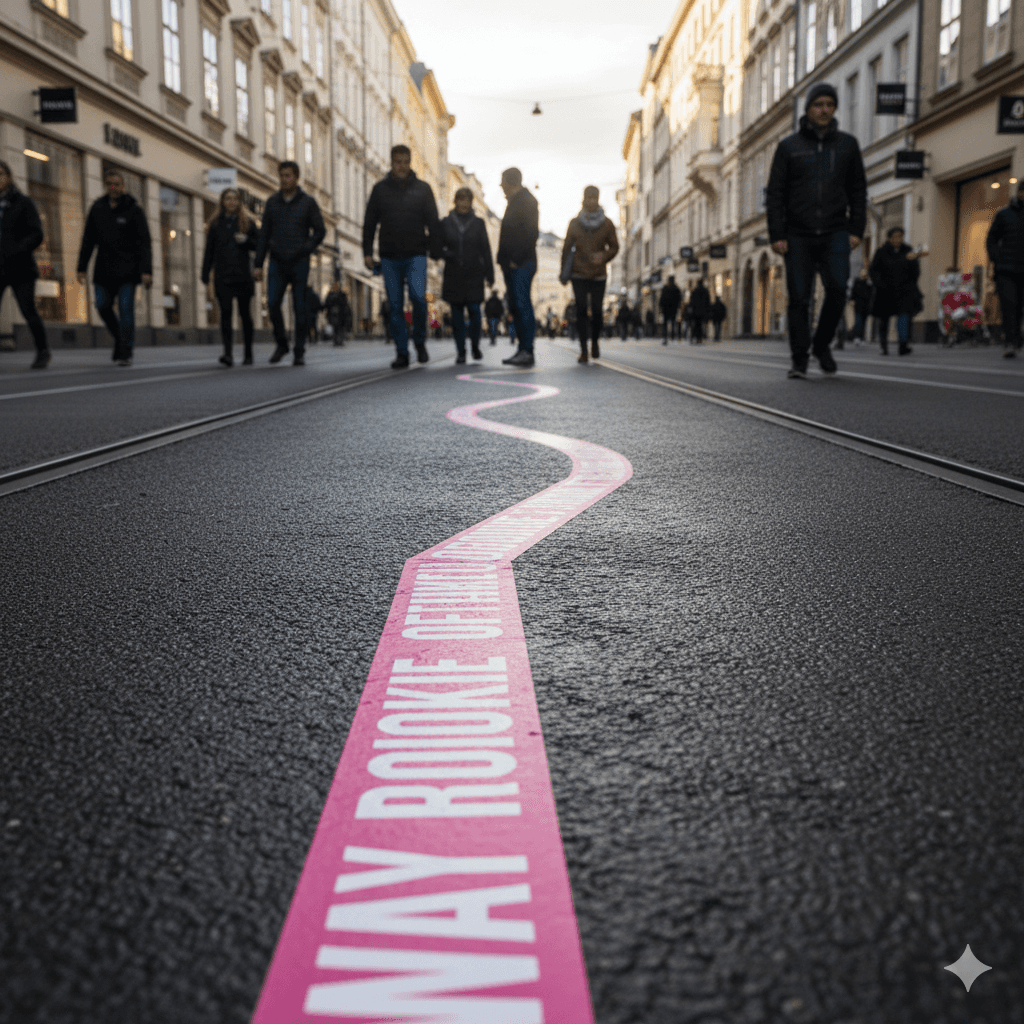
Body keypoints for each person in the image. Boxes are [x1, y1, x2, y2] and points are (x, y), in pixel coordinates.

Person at [766, 82, 867, 378]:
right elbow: (775, 194)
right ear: (808, 109)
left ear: (834, 109)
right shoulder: (789, 147)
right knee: (799, 297)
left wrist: (856, 229)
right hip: (797, 233)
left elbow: (858, 190)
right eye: (818, 105)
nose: (824, 110)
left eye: (829, 105)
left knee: (838, 290)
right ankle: (799, 358)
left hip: (836, 230)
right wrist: (777, 234)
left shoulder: (847, 145)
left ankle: (821, 344)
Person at [363, 144, 440, 369]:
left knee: (418, 298)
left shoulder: (423, 189)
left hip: (416, 253)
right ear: (392, 162)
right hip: (389, 255)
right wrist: (367, 252)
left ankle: (419, 341)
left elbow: (433, 222)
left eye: (405, 161)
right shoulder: (380, 190)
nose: (402, 166)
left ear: (410, 161)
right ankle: (402, 351)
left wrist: (435, 250)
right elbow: (369, 223)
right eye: (398, 162)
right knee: (395, 305)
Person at [76, 168, 152, 367]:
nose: (113, 187)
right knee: (102, 305)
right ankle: (120, 337)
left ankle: (126, 351)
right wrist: (81, 267)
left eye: (117, 184)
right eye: (110, 184)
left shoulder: (134, 209)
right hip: (103, 269)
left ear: (123, 186)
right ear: (105, 185)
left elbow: (144, 242)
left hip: (128, 270)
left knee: (126, 309)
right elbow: (88, 239)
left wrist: (146, 270)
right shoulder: (98, 208)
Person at [253, 161, 326, 367]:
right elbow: (264, 235)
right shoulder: (272, 202)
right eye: (282, 176)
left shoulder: (308, 202)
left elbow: (320, 231)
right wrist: (258, 264)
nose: (284, 180)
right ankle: (282, 343)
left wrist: (306, 247)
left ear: (296, 177)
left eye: (288, 176)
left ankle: (299, 350)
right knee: (273, 303)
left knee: (300, 307)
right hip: (277, 260)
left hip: (299, 261)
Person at [561, 185, 619, 363]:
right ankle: (583, 349)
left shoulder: (607, 224)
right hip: (578, 273)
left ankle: (595, 342)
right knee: (580, 311)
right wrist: (564, 271)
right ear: (584, 199)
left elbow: (615, 247)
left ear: (598, 199)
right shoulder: (575, 223)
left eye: (595, 197)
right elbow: (566, 248)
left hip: (598, 274)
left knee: (596, 310)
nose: (592, 201)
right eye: (589, 197)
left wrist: (604, 255)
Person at [0, 160, 49, 369]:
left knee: (28, 310)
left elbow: (37, 234)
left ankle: (43, 351)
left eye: (1, 174)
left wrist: (18, 249)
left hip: (20, 268)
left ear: (9, 177)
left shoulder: (23, 202)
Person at [201, 187, 258, 366]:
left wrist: (246, 241)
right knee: (225, 314)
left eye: (234, 199)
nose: (231, 202)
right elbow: (209, 250)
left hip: (242, 275)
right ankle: (228, 354)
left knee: (244, 314)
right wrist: (205, 272)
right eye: (228, 199)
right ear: (222, 202)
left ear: (239, 202)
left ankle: (248, 353)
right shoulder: (216, 224)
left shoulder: (248, 222)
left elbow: (259, 245)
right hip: (223, 275)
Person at [439, 187, 494, 364]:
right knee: (456, 314)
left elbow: (486, 249)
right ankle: (461, 351)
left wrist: (489, 273)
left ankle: (475, 345)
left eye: (467, 199)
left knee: (475, 312)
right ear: (455, 201)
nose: (464, 203)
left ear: (471, 202)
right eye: (461, 199)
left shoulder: (478, 223)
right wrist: (446, 253)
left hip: (474, 273)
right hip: (454, 272)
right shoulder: (446, 222)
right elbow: (437, 246)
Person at [497, 167, 539, 367]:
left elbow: (531, 233)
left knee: (522, 305)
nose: (501, 187)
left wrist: (516, 258)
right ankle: (523, 349)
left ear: (509, 182)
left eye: (502, 182)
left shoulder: (526, 202)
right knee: (517, 305)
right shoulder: (515, 202)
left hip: (521, 262)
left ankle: (527, 350)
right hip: (513, 263)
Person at [986, 177, 1024, 358]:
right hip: (1006, 270)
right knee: (1010, 306)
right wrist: (997, 259)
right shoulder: (1004, 214)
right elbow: (991, 239)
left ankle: (1017, 340)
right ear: (1020, 193)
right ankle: (1010, 342)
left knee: (1020, 308)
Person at [869, 227, 921, 355]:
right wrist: (879, 284)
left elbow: (915, 270)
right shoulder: (881, 252)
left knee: (903, 317)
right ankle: (883, 345)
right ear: (890, 238)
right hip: (885, 291)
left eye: (900, 236)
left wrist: (911, 284)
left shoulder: (908, 251)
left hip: (903, 291)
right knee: (884, 319)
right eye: (896, 236)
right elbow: (873, 270)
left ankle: (903, 345)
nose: (898, 239)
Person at [850, 266, 873, 346]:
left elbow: (871, 294)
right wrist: (852, 300)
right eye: (863, 272)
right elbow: (854, 292)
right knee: (858, 321)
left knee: (863, 322)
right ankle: (857, 337)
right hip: (858, 305)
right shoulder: (857, 281)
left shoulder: (869, 283)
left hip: (866, 306)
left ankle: (861, 337)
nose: (864, 274)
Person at [659, 276, 682, 344]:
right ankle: (672, 335)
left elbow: (662, 298)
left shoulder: (665, 288)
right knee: (673, 322)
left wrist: (660, 307)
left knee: (666, 323)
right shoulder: (676, 288)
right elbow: (679, 299)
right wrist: (678, 306)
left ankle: (666, 336)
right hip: (673, 308)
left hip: (666, 308)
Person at [689, 279, 711, 343]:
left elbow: (691, 302)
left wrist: (691, 310)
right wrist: (708, 311)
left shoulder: (695, 291)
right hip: (702, 311)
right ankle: (699, 338)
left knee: (695, 325)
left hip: (695, 311)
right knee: (700, 325)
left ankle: (693, 337)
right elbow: (708, 302)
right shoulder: (705, 291)